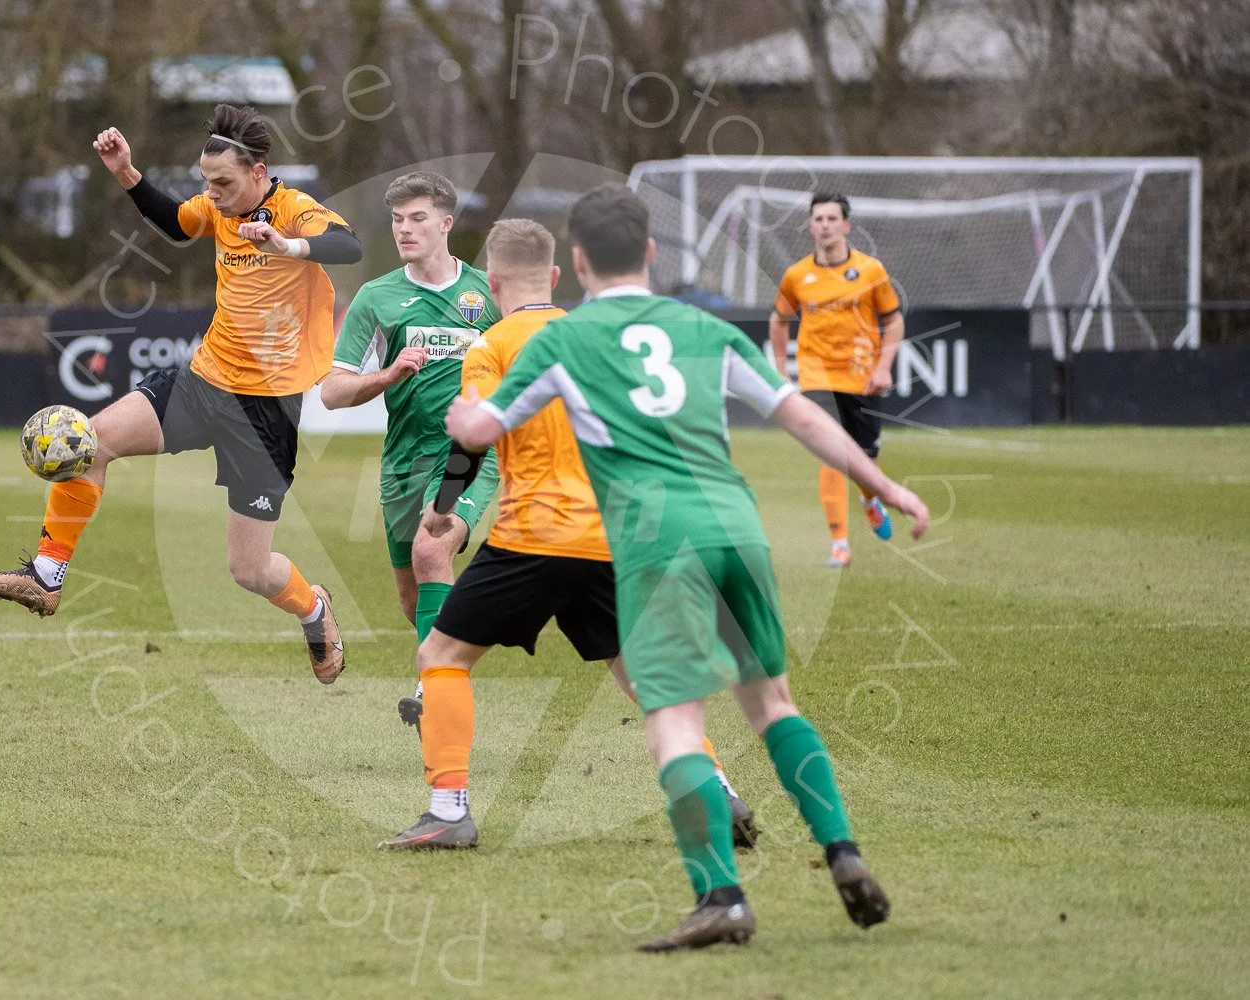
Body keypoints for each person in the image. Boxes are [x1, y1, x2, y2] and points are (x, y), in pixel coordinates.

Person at [445, 184, 930, 952]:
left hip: (656, 542)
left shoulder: (561, 342)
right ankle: (843, 852)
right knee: (772, 703)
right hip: (737, 527)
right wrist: (885, 485)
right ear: (650, 253)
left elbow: (479, 426)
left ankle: (722, 897)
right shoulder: (702, 328)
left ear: (577, 261)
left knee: (675, 719)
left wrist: (458, 412)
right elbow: (803, 414)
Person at [378, 219, 757, 852]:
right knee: (644, 676)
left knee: (440, 657)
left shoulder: (491, 346)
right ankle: (716, 790)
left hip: (533, 535)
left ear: (492, 281)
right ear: (555, 277)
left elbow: (473, 441)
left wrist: (445, 507)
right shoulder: (602, 337)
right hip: (614, 535)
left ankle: (449, 811)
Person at [0, 104, 362, 683]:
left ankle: (315, 609)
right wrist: (126, 172)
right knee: (90, 443)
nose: (212, 193)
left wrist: (287, 246)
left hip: (266, 412)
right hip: (203, 382)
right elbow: (177, 222)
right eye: (206, 181)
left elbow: (347, 247)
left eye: (222, 183)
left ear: (258, 171)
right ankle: (46, 578)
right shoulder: (221, 208)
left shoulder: (295, 210)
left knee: (249, 570)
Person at [320, 172, 500, 723]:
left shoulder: (488, 294)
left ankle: (435, 692)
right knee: (412, 596)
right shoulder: (378, 298)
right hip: (403, 461)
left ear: (446, 223)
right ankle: (451, 654)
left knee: (430, 550)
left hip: (470, 453)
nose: (405, 228)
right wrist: (388, 375)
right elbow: (331, 391)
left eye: (417, 217)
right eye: (397, 219)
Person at [769, 193, 906, 568]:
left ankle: (868, 498)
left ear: (846, 225)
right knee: (830, 454)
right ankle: (839, 544)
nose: (825, 225)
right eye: (818, 219)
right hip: (816, 374)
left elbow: (893, 320)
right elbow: (778, 320)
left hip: (862, 377)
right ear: (811, 226)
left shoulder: (870, 270)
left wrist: (884, 366)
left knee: (865, 458)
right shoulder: (797, 275)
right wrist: (781, 371)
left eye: (832, 218)